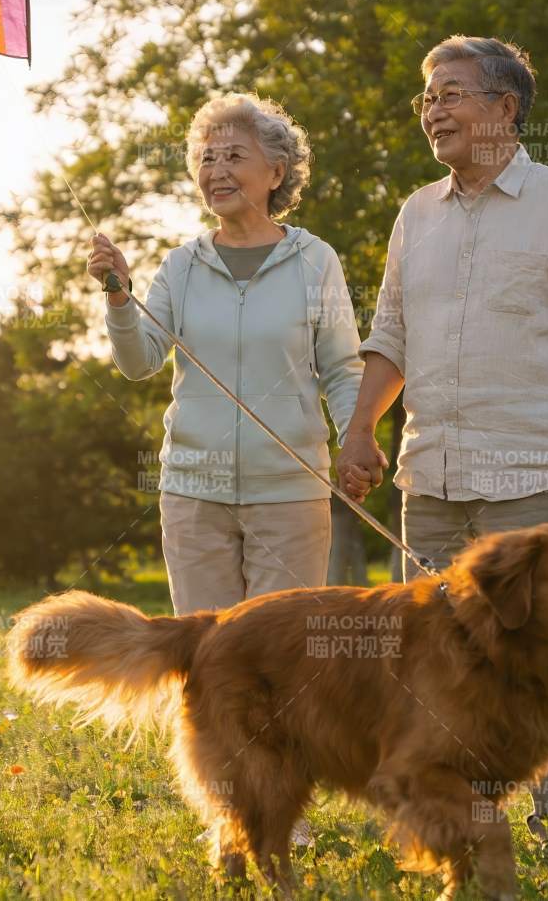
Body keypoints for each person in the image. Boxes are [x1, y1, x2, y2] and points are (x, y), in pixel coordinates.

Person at [336, 35, 548, 848]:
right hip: (430, 474)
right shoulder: (415, 214)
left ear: (505, 107)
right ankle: (448, 818)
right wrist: (361, 429)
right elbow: (390, 336)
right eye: (427, 97)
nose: (433, 110)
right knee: (428, 658)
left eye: (451, 93)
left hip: (532, 473)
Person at [88, 92, 363, 616]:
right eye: (207, 158)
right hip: (194, 495)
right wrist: (119, 298)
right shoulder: (180, 265)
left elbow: (342, 370)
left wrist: (355, 443)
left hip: (290, 494)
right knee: (204, 651)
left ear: (276, 173)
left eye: (235, 156)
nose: (217, 170)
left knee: (280, 648)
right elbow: (139, 362)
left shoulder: (315, 260)